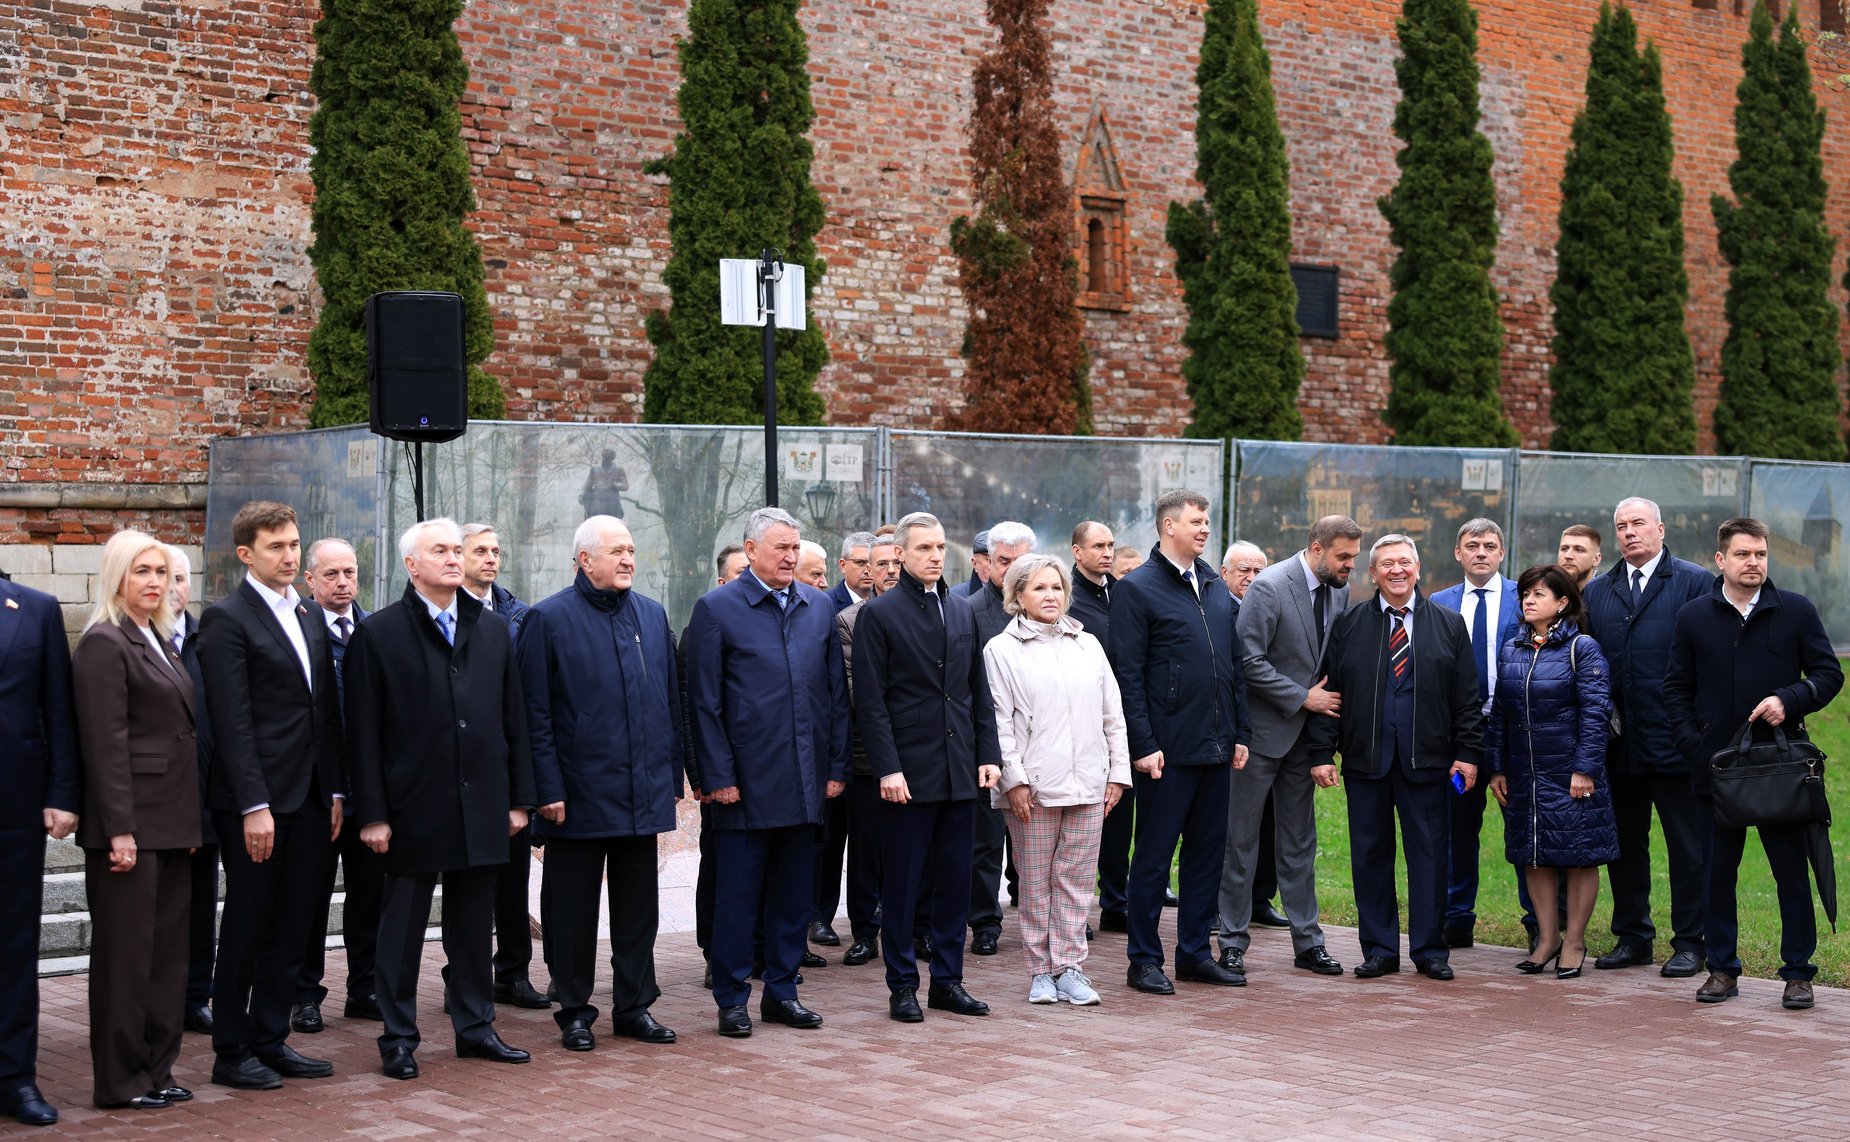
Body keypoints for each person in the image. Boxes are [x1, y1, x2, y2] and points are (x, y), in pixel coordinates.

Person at [345, 518, 537, 1080]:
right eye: (441, 551)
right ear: (412, 564)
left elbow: (514, 721)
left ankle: (476, 1028)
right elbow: (362, 735)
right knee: (402, 930)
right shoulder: (378, 634)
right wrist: (374, 814)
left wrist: (519, 799)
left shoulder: (493, 629)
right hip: (411, 808)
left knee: (474, 927)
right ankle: (398, 1037)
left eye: (458, 550)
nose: (454, 559)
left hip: (482, 805)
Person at [1666, 518, 1843, 1009]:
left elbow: (1829, 674)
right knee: (1716, 874)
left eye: (1761, 554)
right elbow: (1675, 688)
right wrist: (1693, 743)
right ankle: (1722, 969)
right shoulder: (1694, 616)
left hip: (1779, 769)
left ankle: (1798, 973)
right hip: (1716, 771)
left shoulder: (1796, 611)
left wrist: (1791, 699)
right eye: (1743, 554)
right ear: (1720, 560)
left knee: (1791, 872)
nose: (1754, 563)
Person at [521, 516, 684, 1050]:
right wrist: (547, 789)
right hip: (577, 796)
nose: (628, 560)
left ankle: (634, 1006)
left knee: (639, 910)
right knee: (570, 911)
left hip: (642, 792)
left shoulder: (653, 616)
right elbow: (534, 715)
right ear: (584, 560)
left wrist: (672, 778)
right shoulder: (548, 620)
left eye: (632, 550)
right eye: (616, 551)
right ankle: (573, 1010)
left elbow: (670, 705)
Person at [686, 507, 849, 1038]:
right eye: (780, 547)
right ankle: (731, 999)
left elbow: (835, 697)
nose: (790, 556)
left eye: (795, 547)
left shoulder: (817, 606)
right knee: (737, 900)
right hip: (744, 786)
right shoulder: (717, 609)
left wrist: (834, 768)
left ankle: (782, 991)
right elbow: (703, 704)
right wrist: (718, 776)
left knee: (791, 899)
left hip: (804, 781)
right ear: (750, 550)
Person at [199, 501, 344, 1090]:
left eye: (293, 544)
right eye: (276, 547)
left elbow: (324, 710)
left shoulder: (308, 614)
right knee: (249, 922)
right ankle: (231, 1049)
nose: (289, 556)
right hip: (256, 803)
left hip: (311, 797)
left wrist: (335, 789)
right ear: (246, 554)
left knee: (297, 921)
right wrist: (252, 805)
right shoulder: (226, 620)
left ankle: (270, 1036)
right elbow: (231, 722)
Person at [1307, 535, 1480, 981]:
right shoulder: (1348, 625)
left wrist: (1467, 753)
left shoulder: (1448, 625)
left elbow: (1467, 697)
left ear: (1418, 569)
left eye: (1405, 562)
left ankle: (1430, 949)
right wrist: (1323, 752)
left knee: (1429, 857)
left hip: (1428, 762)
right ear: (1373, 573)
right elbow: (1330, 692)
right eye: (1386, 564)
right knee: (1370, 857)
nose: (1396, 570)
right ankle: (1380, 949)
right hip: (1367, 761)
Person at [855, 511, 1002, 1022]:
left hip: (961, 769)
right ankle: (902, 985)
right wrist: (888, 768)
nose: (936, 556)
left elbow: (977, 693)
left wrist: (988, 755)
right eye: (924, 549)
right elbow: (871, 703)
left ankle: (948, 980)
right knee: (902, 882)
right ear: (900, 554)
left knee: (954, 882)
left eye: (941, 548)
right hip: (908, 774)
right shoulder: (880, 615)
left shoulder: (962, 612)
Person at [71, 531, 200, 1109]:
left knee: (169, 956)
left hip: (172, 822)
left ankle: (157, 1069)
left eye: (162, 572)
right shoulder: (105, 642)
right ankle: (120, 1081)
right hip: (129, 828)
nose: (155, 582)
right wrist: (119, 828)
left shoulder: (160, 639)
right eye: (141, 571)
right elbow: (105, 744)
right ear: (117, 577)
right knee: (127, 959)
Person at [1111, 490, 1252, 994]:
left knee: (1206, 857)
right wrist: (1143, 743)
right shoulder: (1138, 589)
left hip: (1217, 747)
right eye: (1196, 521)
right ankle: (1143, 959)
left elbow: (1233, 666)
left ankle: (1194, 953)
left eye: (1208, 522)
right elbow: (1127, 676)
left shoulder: (1214, 585)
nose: (1205, 529)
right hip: (1165, 753)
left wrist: (1241, 732)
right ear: (1168, 526)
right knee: (1152, 857)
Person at [985, 554, 1131, 1006]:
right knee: (1034, 883)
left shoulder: (1088, 645)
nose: (1051, 596)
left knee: (1076, 881)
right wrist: (1015, 781)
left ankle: (1070, 967)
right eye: (1039, 588)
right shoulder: (1001, 650)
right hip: (1034, 789)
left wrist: (1118, 773)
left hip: (1089, 783)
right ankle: (1040, 971)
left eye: (1057, 588)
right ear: (1018, 597)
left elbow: (1113, 715)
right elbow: (1000, 723)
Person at [1219, 516, 1358, 984]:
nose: (1350, 566)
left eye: (1354, 557)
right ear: (1317, 549)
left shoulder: (1338, 590)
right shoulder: (1270, 587)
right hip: (1258, 738)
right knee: (1241, 842)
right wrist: (1303, 696)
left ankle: (1309, 943)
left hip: (1304, 742)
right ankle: (1232, 943)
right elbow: (1248, 661)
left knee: (1300, 844)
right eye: (1343, 556)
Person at [1581, 497, 1713, 977]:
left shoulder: (1695, 582)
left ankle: (1691, 942)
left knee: (1688, 847)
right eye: (1621, 525)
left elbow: (1709, 660)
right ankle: (1633, 937)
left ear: (1661, 528)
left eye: (1639, 523)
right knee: (1625, 846)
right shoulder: (1599, 593)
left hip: (1679, 744)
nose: (1630, 532)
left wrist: (1697, 731)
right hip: (1620, 745)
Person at [1484, 564, 1616, 979]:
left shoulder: (1583, 649)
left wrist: (1585, 769)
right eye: (1526, 592)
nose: (1528, 599)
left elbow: (1597, 713)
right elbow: (1500, 716)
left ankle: (1574, 941)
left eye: (1539, 593)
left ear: (1562, 603)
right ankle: (1546, 940)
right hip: (1525, 774)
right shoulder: (1512, 649)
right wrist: (1497, 768)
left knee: (1579, 857)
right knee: (1534, 855)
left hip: (1571, 774)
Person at [0, 566, 80, 1126]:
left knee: (13, 947)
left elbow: (59, 712)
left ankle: (14, 1077)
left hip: (13, 807)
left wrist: (63, 793)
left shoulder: (36, 608)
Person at [459, 523, 546, 1010]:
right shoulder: (445, 615)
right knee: (467, 884)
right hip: (460, 768)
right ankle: (462, 976)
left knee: (514, 880)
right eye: (480, 551)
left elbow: (529, 701)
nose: (490, 559)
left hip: (508, 764)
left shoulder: (519, 616)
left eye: (495, 551)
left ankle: (513, 972)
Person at [296, 537, 382, 1024]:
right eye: (331, 574)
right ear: (310, 580)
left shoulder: (373, 630)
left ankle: (364, 988)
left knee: (370, 896)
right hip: (316, 792)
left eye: (349, 573)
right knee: (309, 896)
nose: (343, 582)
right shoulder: (298, 629)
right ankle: (304, 994)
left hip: (367, 792)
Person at [1429, 518, 1522, 950]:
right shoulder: (1438, 602)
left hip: (1513, 736)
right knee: (1455, 828)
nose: (1481, 552)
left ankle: (1537, 919)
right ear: (1458, 553)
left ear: (1501, 553)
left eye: (1489, 545)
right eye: (1472, 545)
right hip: (1458, 739)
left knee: (1521, 826)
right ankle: (1456, 916)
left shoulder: (1526, 598)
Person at [832, 531, 903, 967]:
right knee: (865, 852)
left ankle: (915, 928)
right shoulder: (849, 620)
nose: (891, 572)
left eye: (897, 564)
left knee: (914, 850)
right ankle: (864, 932)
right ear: (868, 574)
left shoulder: (933, 615)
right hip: (867, 757)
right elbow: (856, 690)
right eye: (882, 566)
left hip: (920, 755)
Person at [966, 520, 1035, 957]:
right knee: (987, 841)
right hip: (987, 744)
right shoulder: (968, 612)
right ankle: (985, 921)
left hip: (1039, 744)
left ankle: (1039, 913)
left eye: (1020, 561)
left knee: (1036, 839)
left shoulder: (1050, 609)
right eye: (1003, 561)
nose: (1011, 570)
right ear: (987, 563)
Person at [1219, 540, 1286, 931]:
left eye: (1259, 570)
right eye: (1243, 569)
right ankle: (1222, 902)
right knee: (1231, 825)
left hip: (1275, 729)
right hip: (1232, 733)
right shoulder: (1214, 608)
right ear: (1224, 572)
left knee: (1270, 822)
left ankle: (1260, 898)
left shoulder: (1274, 605)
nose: (1252, 577)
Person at [165, 548, 218, 1038]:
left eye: (183, 577)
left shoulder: (208, 639)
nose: (176, 587)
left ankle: (196, 995)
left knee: (201, 904)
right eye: (166, 577)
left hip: (204, 797)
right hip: (156, 803)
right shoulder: (133, 640)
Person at [1069, 521, 1132, 931]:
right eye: (1098, 546)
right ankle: (1077, 905)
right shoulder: (1068, 600)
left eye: (1110, 545)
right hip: (1082, 721)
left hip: (1127, 717)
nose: (1107, 553)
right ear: (1078, 552)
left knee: (1121, 815)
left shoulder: (1124, 594)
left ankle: (1116, 901)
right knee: (1087, 818)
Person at [691, 544, 748, 979]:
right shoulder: (704, 625)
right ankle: (714, 948)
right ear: (723, 580)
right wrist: (703, 775)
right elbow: (693, 707)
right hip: (720, 777)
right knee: (720, 867)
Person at [828, 531, 877, 614]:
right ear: (843, 565)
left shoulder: (890, 602)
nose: (867, 570)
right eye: (860, 562)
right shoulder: (827, 604)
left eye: (872, 563)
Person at [579, 448, 630, 520]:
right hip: (598, 503)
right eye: (603, 457)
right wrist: (582, 495)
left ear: (611, 459)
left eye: (607, 458)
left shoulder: (618, 469)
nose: (604, 460)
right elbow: (588, 484)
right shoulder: (595, 469)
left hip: (612, 503)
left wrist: (615, 485)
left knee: (614, 523)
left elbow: (625, 486)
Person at [1558, 524, 1603, 591]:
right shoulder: (1544, 594)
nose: (1568, 556)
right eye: (1564, 549)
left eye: (1579, 550)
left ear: (1596, 559)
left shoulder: (1608, 597)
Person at [951, 530, 990, 598]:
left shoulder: (1012, 595)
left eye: (1001, 561)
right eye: (988, 560)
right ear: (974, 563)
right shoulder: (954, 597)